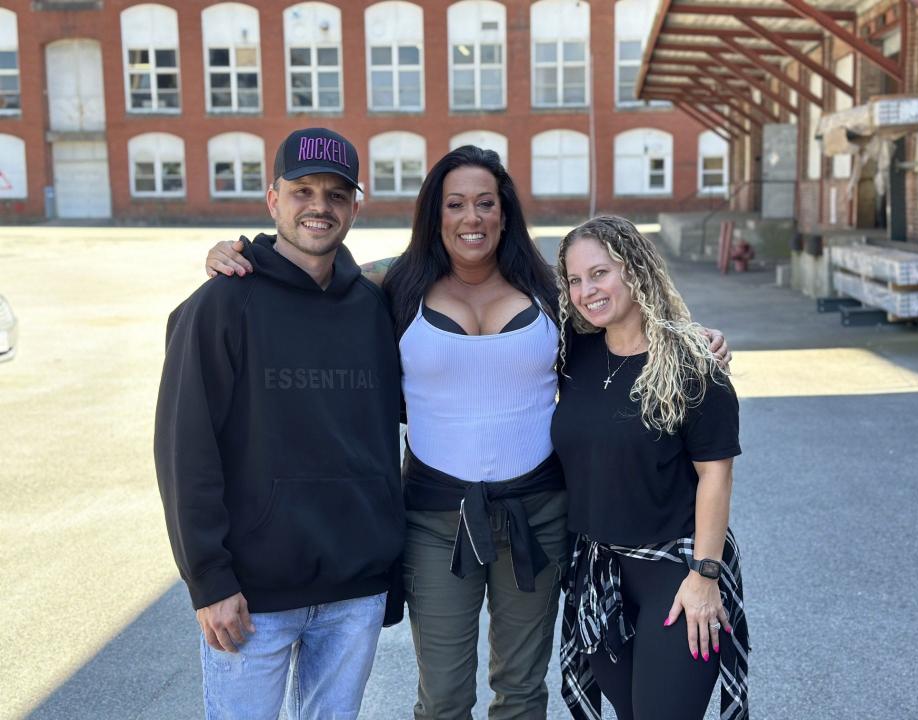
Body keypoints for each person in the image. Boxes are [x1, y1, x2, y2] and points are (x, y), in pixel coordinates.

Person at [203, 146, 731, 719]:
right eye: (455, 204)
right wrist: (242, 252)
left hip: (539, 516)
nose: (470, 217)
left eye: (485, 203)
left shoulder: (550, 290)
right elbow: (318, 267)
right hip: (435, 518)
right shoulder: (393, 284)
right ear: (436, 214)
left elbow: (619, 318)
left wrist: (686, 335)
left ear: (505, 213)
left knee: (522, 689)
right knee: (444, 696)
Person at [154, 127, 405, 720]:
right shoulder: (220, 305)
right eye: (303, 191)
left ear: (355, 207)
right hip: (251, 597)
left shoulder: (374, 307)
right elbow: (184, 450)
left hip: (354, 589)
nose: (320, 206)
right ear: (273, 200)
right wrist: (208, 580)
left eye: (337, 194)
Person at [551, 215, 749, 720]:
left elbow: (715, 475)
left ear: (635, 270)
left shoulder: (692, 364)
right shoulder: (574, 353)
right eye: (575, 280)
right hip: (600, 575)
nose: (586, 291)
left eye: (600, 274)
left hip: (678, 574)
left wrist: (705, 576)